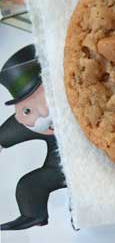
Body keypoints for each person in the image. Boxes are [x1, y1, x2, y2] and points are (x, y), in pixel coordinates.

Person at [0, 44, 65, 231]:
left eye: (48, 98)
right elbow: (5, 135)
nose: (44, 112)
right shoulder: (27, 125)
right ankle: (33, 215)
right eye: (27, 110)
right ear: (19, 116)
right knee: (29, 185)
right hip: (60, 169)